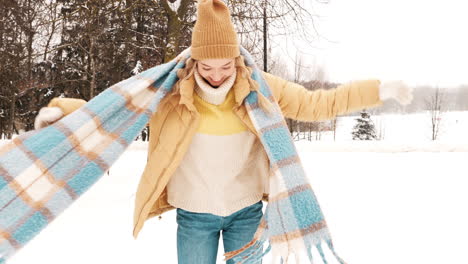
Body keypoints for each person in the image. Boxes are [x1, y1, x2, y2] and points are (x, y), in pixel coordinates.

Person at [34, 0, 413, 263]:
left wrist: (376, 91)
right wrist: (63, 116)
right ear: (194, 62)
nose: (216, 76)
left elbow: (318, 105)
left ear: (236, 60)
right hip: (194, 216)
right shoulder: (169, 93)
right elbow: (113, 112)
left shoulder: (260, 88)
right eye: (206, 67)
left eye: (225, 67)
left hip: (246, 215)